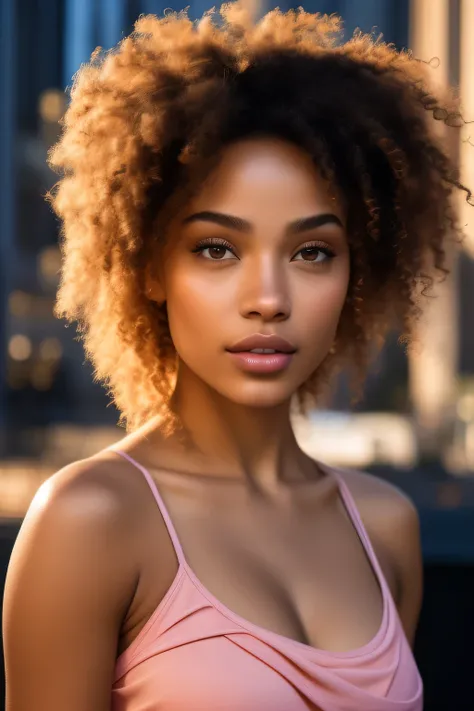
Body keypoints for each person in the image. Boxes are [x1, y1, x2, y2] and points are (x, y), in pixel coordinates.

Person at [3, 3, 469, 710]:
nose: (268, 299)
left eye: (313, 252)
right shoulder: (90, 520)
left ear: (357, 273)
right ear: (150, 266)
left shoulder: (386, 528)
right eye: (217, 248)